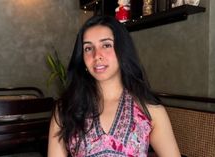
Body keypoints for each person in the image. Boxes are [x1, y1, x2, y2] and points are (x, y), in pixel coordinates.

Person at [48, 15, 181, 157]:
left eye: (106, 45)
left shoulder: (150, 110)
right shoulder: (66, 109)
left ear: (122, 51)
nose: (97, 55)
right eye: (88, 48)